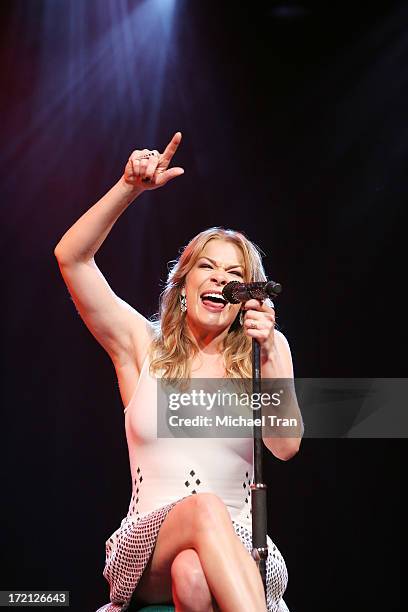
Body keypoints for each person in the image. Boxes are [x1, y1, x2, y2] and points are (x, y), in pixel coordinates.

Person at [54, 132, 303, 612]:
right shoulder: (141, 346)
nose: (220, 280)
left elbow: (286, 447)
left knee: (193, 577)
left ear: (245, 297)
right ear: (184, 285)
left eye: (234, 276)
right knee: (203, 510)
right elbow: (72, 258)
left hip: (241, 547)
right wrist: (128, 186)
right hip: (147, 543)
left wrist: (268, 350)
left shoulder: (264, 351)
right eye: (207, 268)